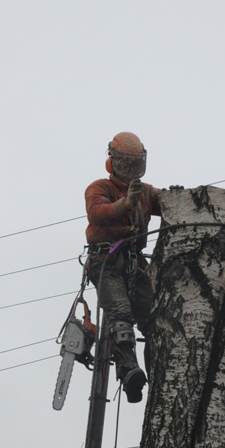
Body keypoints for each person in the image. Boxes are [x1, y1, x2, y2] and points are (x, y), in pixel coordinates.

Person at [84, 132, 161, 403]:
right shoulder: (100, 188)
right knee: (119, 311)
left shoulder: (146, 192)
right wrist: (125, 204)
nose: (130, 172)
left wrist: (183, 199)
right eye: (126, 166)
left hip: (134, 263)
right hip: (105, 261)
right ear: (113, 162)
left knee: (155, 316)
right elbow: (97, 212)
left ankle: (159, 372)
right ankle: (129, 369)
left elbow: (165, 202)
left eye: (135, 167)